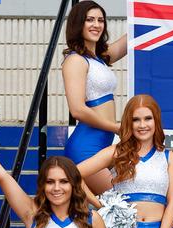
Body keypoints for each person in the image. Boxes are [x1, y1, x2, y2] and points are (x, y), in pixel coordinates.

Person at [78, 94, 173, 228]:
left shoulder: (169, 157)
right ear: (128, 123)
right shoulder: (117, 152)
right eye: (136, 120)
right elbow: (73, 174)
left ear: (156, 120)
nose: (142, 125)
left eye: (147, 118)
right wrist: (101, 206)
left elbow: (172, 204)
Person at [63, 0, 127, 195]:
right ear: (78, 23)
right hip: (86, 147)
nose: (96, 25)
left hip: (104, 144)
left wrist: (149, 9)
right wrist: (117, 127)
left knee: (115, 208)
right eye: (89, 20)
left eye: (100, 20)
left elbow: (132, 37)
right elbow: (77, 110)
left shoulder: (99, 57)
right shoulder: (75, 60)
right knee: (120, 204)